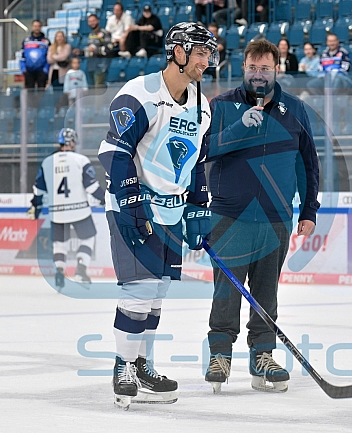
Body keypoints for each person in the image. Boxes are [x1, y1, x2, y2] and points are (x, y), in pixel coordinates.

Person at [97, 22, 218, 408]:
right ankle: (123, 366)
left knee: (157, 294)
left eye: (209, 53)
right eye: (199, 51)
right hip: (135, 208)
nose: (206, 60)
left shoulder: (203, 106)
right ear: (177, 52)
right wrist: (131, 202)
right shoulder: (140, 93)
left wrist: (199, 205)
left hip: (172, 213)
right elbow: (113, 153)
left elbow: (197, 161)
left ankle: (143, 364)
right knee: (138, 291)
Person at [203, 39, 320, 393]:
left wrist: (309, 208)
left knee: (265, 291)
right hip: (229, 215)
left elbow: (308, 164)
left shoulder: (295, 110)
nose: (258, 75)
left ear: (277, 69)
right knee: (227, 290)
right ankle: (220, 355)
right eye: (252, 68)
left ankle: (262, 356)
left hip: (275, 217)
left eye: (264, 69)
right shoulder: (220, 107)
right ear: (243, 69)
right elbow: (202, 151)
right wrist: (239, 127)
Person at [28, 128, 105, 289]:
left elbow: (38, 189)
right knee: (88, 238)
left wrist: (36, 206)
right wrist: (105, 199)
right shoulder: (80, 160)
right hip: (79, 210)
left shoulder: (48, 162)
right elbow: (91, 187)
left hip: (57, 212)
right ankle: (81, 270)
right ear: (73, 142)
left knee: (59, 243)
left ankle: (60, 271)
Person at [73, 14, 111, 86]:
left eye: (93, 21)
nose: (92, 23)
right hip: (91, 65)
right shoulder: (91, 34)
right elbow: (89, 50)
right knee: (92, 89)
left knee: (98, 89)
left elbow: (108, 49)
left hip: (101, 65)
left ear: (98, 21)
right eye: (90, 21)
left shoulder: (104, 33)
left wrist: (95, 50)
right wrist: (80, 52)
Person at [21, 19, 50, 89]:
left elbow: (49, 57)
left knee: (41, 93)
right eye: (35, 26)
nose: (36, 28)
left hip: (42, 71)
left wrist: (46, 69)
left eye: (38, 26)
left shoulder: (46, 41)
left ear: (41, 27)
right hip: (29, 71)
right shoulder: (26, 41)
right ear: (32, 27)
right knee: (30, 93)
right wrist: (23, 69)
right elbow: (22, 56)